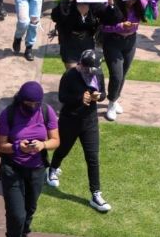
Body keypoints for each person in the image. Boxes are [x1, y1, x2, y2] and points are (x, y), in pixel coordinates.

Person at [46, 49, 112, 213]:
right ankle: (52, 169)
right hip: (70, 120)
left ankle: (96, 194)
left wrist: (99, 96)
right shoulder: (69, 76)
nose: (90, 72)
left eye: (93, 69)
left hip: (90, 121)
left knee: (92, 157)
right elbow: (62, 97)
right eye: (87, 68)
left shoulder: (98, 73)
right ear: (81, 64)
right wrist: (79, 98)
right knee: (63, 148)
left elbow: (104, 93)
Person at [0, 81, 60, 237]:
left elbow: (56, 140)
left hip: (36, 169)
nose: (32, 106)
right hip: (12, 169)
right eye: (28, 103)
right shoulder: (8, 114)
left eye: (35, 103)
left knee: (30, 209)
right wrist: (18, 147)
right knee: (16, 214)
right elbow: (1, 145)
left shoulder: (46, 111)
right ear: (20, 99)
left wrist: (43, 145)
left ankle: (23, 232)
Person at [51, 0, 103, 69]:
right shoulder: (68, 4)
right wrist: (69, 0)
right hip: (69, 43)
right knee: (73, 73)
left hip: (87, 42)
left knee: (88, 73)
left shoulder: (94, 6)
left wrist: (111, 3)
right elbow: (55, 16)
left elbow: (112, 18)